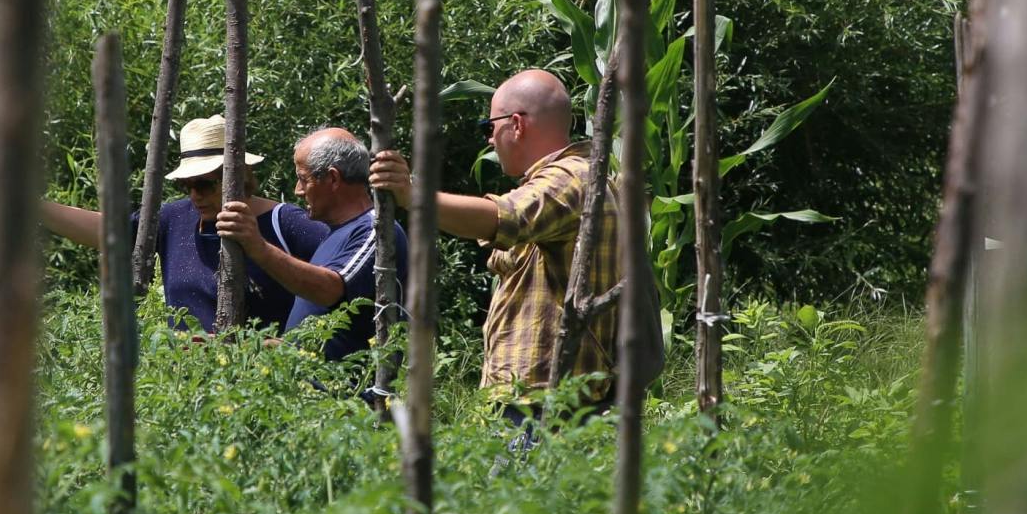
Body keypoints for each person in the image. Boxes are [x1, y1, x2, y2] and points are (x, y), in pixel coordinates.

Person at [368, 68, 619, 428]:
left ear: (516, 124)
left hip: (541, 402)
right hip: (546, 399)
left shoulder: (570, 178)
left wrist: (412, 196)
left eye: (490, 128)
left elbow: (506, 218)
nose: (489, 140)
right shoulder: (582, 178)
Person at [41, 114, 326, 334]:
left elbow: (341, 280)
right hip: (188, 391)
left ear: (238, 176)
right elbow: (111, 233)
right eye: (185, 185)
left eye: (203, 184)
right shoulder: (176, 218)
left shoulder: (284, 223)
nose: (194, 195)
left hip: (265, 391)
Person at [217, 127, 408, 362]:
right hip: (313, 391)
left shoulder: (374, 230)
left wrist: (257, 246)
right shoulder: (335, 234)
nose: (297, 190)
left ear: (333, 178)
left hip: (349, 393)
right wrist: (270, 346)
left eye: (303, 179)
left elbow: (330, 290)